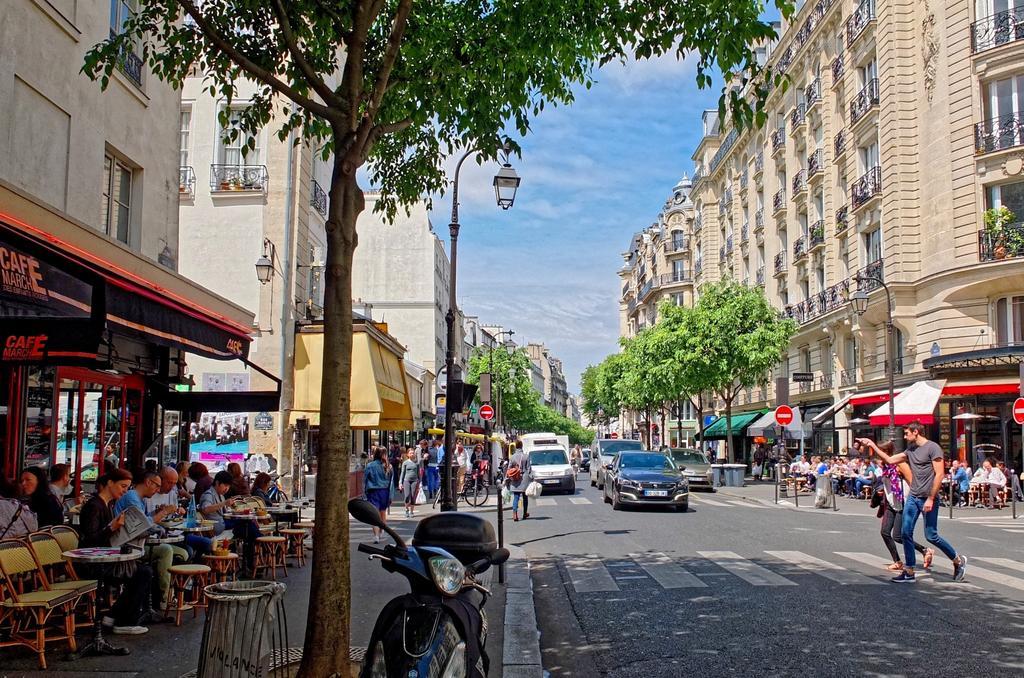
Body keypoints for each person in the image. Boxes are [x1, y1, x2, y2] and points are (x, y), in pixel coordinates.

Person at [859, 422, 967, 584]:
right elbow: (889, 459)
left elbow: (939, 474)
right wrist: (872, 445)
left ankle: (957, 560)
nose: (904, 436)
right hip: (913, 497)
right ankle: (909, 571)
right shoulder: (910, 450)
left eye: (907, 433)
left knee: (931, 535)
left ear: (916, 432)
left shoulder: (933, 448)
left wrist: (931, 497)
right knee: (905, 533)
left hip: (928, 497)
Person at [79, 469, 159, 634]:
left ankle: (114, 615)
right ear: (109, 483)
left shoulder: (107, 504)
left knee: (142, 571)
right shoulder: (94, 506)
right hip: (93, 563)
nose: (124, 491)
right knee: (142, 572)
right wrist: (112, 528)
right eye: (122, 486)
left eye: (127, 487)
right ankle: (123, 620)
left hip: (105, 558)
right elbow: (90, 541)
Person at [114, 470, 184, 610]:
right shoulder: (132, 497)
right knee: (165, 551)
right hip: (126, 546)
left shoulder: (138, 498)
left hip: (134, 544)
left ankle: (162, 596)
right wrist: (163, 513)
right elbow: (145, 524)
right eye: (157, 486)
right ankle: (165, 598)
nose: (158, 490)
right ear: (148, 482)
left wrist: (156, 516)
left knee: (179, 552)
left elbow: (144, 520)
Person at [875, 441, 931, 572]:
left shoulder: (900, 464)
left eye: (880, 452)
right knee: (884, 532)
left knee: (898, 536)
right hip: (890, 502)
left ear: (886, 452)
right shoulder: (884, 466)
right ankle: (897, 561)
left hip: (903, 502)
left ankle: (925, 550)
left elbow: (913, 482)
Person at [199, 471, 259, 572]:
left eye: (228, 486)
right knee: (248, 528)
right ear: (217, 483)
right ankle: (258, 546)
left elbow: (226, 513)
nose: (226, 489)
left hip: (224, 524)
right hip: (216, 528)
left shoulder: (220, 496)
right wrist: (223, 504)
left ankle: (250, 562)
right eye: (225, 486)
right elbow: (205, 509)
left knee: (248, 526)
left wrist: (236, 511)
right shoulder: (208, 494)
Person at [364, 448, 391, 542]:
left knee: (374, 513)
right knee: (383, 512)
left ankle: (376, 536)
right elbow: (391, 482)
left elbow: (365, 479)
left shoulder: (370, 465)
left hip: (373, 491)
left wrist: (365, 492)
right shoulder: (388, 466)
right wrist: (391, 495)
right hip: (384, 491)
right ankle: (381, 531)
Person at [506, 440, 533, 521]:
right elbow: (529, 469)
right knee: (525, 497)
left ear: (516, 446)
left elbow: (509, 468)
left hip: (515, 478)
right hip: (524, 478)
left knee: (516, 497)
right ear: (522, 446)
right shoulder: (526, 456)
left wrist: (506, 479)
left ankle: (515, 514)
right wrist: (532, 477)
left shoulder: (512, 457)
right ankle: (525, 513)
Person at [400, 448, 421, 518]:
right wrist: (400, 482)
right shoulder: (405, 463)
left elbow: (418, 474)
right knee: (406, 496)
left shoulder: (417, 463)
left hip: (415, 481)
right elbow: (402, 473)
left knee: (412, 496)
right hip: (406, 480)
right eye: (410, 453)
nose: (412, 454)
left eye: (413, 453)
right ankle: (406, 510)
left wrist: (420, 482)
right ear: (408, 454)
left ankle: (411, 511)